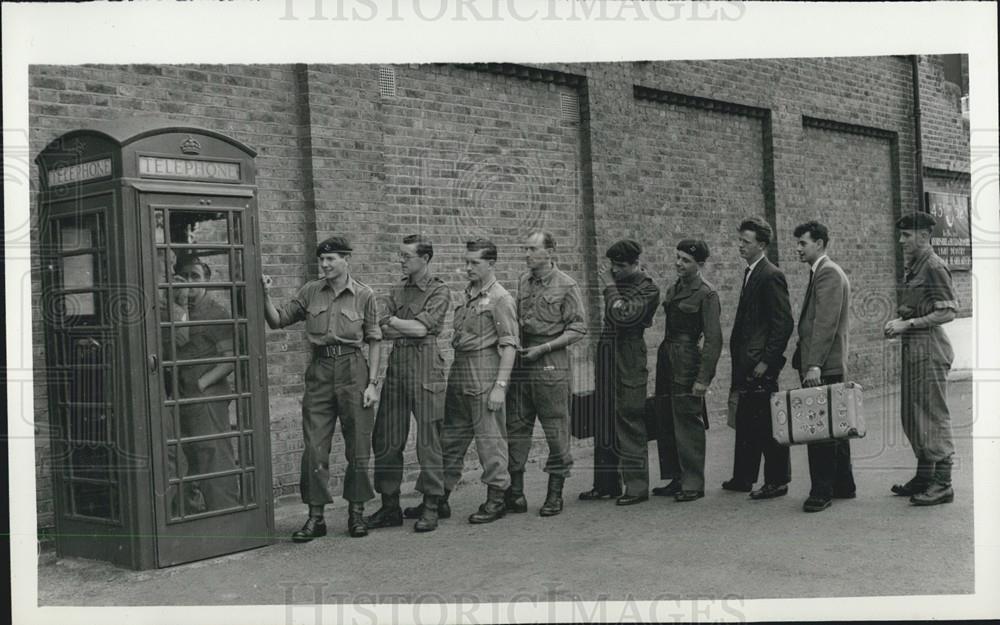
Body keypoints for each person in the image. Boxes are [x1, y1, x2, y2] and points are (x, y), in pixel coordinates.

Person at [263, 236, 382, 541]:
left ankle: (356, 513)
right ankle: (315, 517)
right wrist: (264, 293)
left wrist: (373, 384)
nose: (326, 265)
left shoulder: (365, 295)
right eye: (323, 260)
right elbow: (278, 320)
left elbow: (374, 340)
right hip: (319, 371)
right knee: (314, 447)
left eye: (332, 259)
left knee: (358, 445)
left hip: (353, 370)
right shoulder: (310, 291)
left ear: (346, 260)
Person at [365, 235, 451, 533]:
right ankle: (390, 506)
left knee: (429, 441)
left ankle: (432, 504)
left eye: (406, 256)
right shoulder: (397, 289)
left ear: (425, 258)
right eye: (400, 255)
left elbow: (419, 328)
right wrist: (406, 328)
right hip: (398, 368)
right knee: (387, 440)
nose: (401, 260)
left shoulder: (439, 290)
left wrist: (397, 324)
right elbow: (380, 328)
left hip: (427, 368)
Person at [505, 231, 587, 517]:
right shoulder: (523, 282)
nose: (526, 254)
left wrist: (546, 348)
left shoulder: (566, 285)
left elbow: (578, 328)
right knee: (516, 426)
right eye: (525, 248)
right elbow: (517, 318)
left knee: (555, 428)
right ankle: (515, 493)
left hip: (550, 360)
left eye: (532, 249)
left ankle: (555, 494)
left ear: (550, 252)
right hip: (523, 359)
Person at [440, 238, 519, 524]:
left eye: (475, 263)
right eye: (467, 262)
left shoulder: (500, 299)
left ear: (491, 264)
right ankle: (441, 496)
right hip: (460, 369)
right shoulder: (467, 294)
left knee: (489, 439)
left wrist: (499, 387)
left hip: (484, 369)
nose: (468, 268)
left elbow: (509, 345)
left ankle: (497, 497)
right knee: (451, 438)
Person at [885, 212, 959, 506]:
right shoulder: (915, 265)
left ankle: (943, 484)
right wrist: (903, 321)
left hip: (929, 350)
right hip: (915, 350)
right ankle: (925, 475)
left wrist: (908, 325)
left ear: (924, 236)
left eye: (906, 235)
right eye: (901, 234)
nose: (901, 240)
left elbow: (948, 311)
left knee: (932, 415)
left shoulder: (934, 266)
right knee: (913, 415)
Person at [579, 239, 660, 506]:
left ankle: (636, 487)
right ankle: (605, 484)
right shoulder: (621, 283)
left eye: (620, 265)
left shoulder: (647, 288)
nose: (614, 270)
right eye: (612, 264)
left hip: (629, 355)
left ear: (636, 264)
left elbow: (625, 316)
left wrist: (611, 289)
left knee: (629, 416)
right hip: (608, 351)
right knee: (603, 416)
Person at [724, 217, 794, 500]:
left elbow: (783, 323)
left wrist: (767, 360)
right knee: (747, 420)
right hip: (748, 361)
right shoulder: (752, 272)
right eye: (740, 240)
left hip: (759, 364)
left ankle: (777, 481)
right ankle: (744, 477)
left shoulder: (770, 275)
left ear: (762, 244)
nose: (740, 245)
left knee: (767, 423)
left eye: (746, 242)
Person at [791, 221, 857, 513]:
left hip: (823, 364)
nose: (798, 248)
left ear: (819, 243)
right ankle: (844, 485)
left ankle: (821, 491)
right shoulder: (824, 271)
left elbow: (825, 323)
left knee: (819, 430)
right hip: (827, 363)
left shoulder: (827, 272)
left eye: (803, 243)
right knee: (835, 426)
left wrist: (813, 364)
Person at [652, 240, 722, 503]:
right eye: (678, 258)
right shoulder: (674, 288)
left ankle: (693, 482)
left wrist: (703, 378)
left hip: (687, 359)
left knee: (687, 420)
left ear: (700, 264)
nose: (679, 263)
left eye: (686, 260)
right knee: (666, 418)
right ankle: (676, 477)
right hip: (667, 357)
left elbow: (713, 340)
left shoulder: (706, 294)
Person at [173, 255, 241, 514]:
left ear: (207, 280)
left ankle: (225, 512)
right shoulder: (178, 308)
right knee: (188, 454)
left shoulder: (215, 312)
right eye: (185, 277)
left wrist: (201, 384)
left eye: (196, 277)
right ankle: (196, 512)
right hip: (181, 393)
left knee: (215, 455)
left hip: (208, 395)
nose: (190, 283)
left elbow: (230, 359)